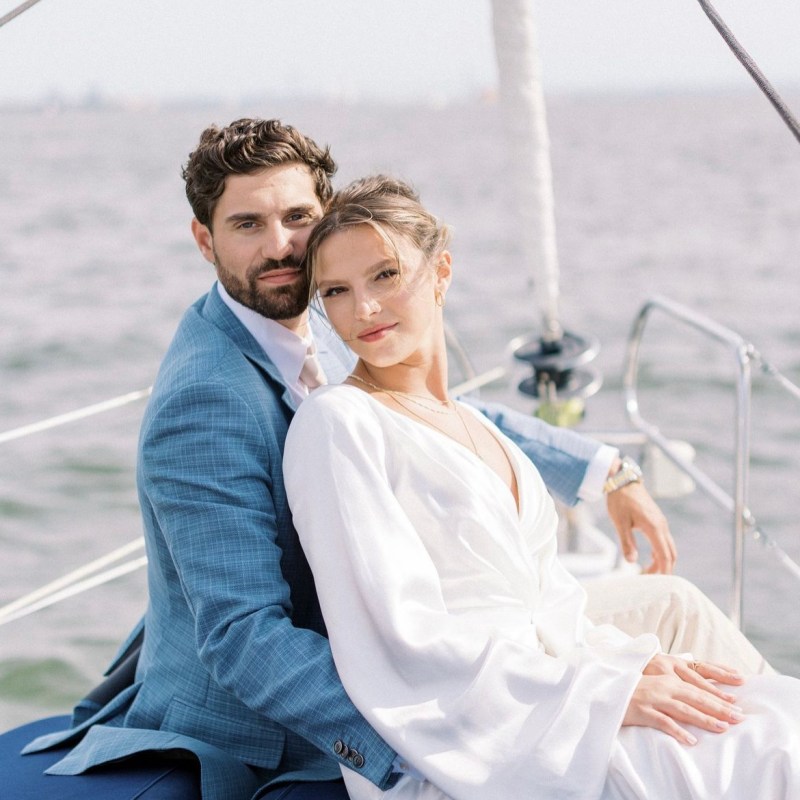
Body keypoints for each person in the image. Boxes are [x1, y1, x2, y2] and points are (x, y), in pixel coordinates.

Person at [9, 119, 765, 799]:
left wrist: (604, 470)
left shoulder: (323, 310)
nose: (280, 246)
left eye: (297, 218)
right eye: (247, 224)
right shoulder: (206, 399)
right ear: (204, 240)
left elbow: (423, 408)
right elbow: (244, 638)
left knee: (676, 606)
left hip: (400, 633)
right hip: (297, 706)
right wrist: (415, 751)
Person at [284, 174, 800, 799]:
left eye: (384, 275)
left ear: (440, 273)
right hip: (471, 742)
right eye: (336, 291)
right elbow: (402, 640)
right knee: (773, 755)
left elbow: (555, 607)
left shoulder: (476, 427)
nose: (362, 308)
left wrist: (631, 666)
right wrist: (607, 697)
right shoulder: (338, 424)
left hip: (556, 694)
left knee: (776, 712)